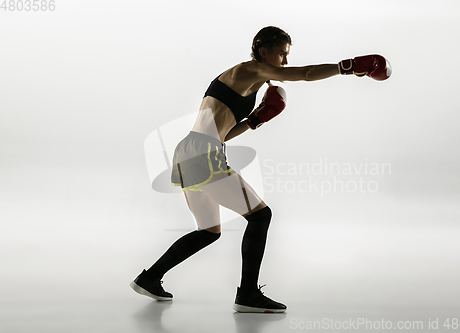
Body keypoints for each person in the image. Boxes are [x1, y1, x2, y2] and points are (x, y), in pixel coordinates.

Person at [130, 26, 391, 313]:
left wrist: (255, 120)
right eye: (282, 54)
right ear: (263, 50)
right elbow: (303, 74)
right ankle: (248, 295)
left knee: (208, 231)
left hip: (191, 150)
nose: (285, 62)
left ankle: (149, 277)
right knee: (260, 215)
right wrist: (349, 67)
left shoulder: (247, 82)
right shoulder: (249, 70)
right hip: (203, 153)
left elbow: (225, 133)